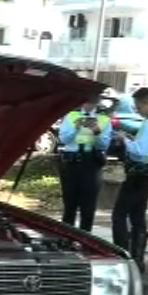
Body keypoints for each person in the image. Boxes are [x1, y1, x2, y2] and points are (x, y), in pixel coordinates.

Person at [111, 87, 148, 273]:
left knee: (119, 214)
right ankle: (137, 259)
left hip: (140, 172)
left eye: (138, 106)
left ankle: (122, 255)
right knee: (138, 216)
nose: (136, 110)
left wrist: (125, 140)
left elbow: (141, 151)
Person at [56, 94, 112, 231]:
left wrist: (96, 132)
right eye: (86, 101)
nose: (88, 105)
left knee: (88, 207)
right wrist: (76, 127)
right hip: (72, 162)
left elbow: (104, 145)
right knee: (70, 205)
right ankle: (67, 239)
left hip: (91, 163)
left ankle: (85, 238)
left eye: (92, 102)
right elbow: (63, 139)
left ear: (97, 102)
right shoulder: (71, 116)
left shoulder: (103, 120)